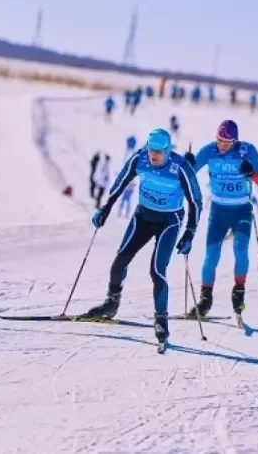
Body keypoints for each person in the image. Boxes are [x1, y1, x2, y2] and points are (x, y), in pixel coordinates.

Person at [84, 128, 202, 348]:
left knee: (157, 270)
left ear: (168, 150)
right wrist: (105, 209)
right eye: (151, 150)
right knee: (119, 262)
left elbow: (195, 201)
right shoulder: (140, 158)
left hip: (169, 222)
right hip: (143, 216)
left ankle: (161, 321)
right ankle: (111, 304)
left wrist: (190, 232)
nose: (153, 155)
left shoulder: (180, 167)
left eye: (158, 151)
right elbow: (120, 182)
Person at [187, 120, 258, 320]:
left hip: (241, 209)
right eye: (219, 140)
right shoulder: (209, 151)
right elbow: (188, 172)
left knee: (240, 251)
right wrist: (186, 161)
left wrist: (251, 173)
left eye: (227, 142)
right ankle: (205, 299)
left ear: (235, 140)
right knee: (211, 256)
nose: (222, 145)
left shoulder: (247, 151)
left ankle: (238, 292)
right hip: (218, 210)